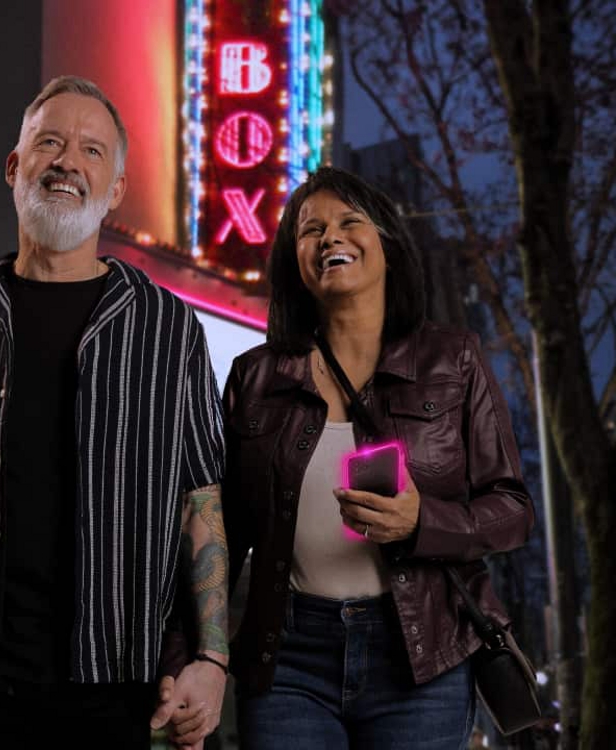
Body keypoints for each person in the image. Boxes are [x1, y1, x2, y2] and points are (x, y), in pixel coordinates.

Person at [0, 76, 228, 750]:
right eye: (50, 143)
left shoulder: (166, 328)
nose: (68, 162)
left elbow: (199, 501)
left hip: (113, 682)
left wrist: (210, 659)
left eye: (93, 151)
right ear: (15, 166)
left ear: (115, 191)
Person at [221, 166, 534, 749]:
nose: (330, 238)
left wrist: (423, 522)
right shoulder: (255, 376)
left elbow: (513, 510)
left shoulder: (454, 360)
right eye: (310, 231)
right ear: (296, 263)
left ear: (387, 243)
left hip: (422, 656)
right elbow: (221, 532)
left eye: (349, 222)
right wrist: (198, 654)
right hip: (288, 657)